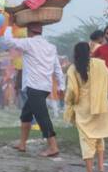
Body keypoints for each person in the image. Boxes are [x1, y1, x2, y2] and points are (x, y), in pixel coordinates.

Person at [8, 22, 65, 157]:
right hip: (45, 87)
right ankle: (22, 144)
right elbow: (57, 68)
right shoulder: (51, 47)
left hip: (34, 87)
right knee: (26, 114)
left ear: (29, 32)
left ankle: (53, 146)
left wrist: (9, 25)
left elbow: (9, 42)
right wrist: (62, 86)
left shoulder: (29, 43)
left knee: (42, 117)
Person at [63, 40, 108, 172]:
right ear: (89, 52)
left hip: (83, 108)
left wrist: (69, 102)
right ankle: (101, 167)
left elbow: (72, 91)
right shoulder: (100, 64)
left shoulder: (73, 69)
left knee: (86, 140)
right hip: (101, 105)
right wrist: (103, 91)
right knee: (99, 136)